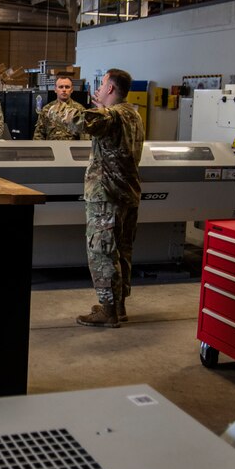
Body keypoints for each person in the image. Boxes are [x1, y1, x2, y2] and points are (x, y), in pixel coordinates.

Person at [60, 68, 145, 328]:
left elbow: (79, 120)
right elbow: (104, 122)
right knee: (122, 252)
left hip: (105, 196)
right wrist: (101, 108)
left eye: (103, 83)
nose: (99, 87)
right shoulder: (133, 115)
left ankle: (107, 312)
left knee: (102, 253)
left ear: (110, 89)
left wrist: (52, 108)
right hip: (127, 194)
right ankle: (118, 306)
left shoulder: (110, 117)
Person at [33, 76, 85, 140]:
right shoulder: (47, 109)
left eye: (67, 87)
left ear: (72, 90)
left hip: (70, 148)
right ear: (55, 89)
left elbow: (84, 135)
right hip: (51, 148)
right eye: (60, 87)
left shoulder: (79, 109)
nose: (64, 90)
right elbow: (38, 134)